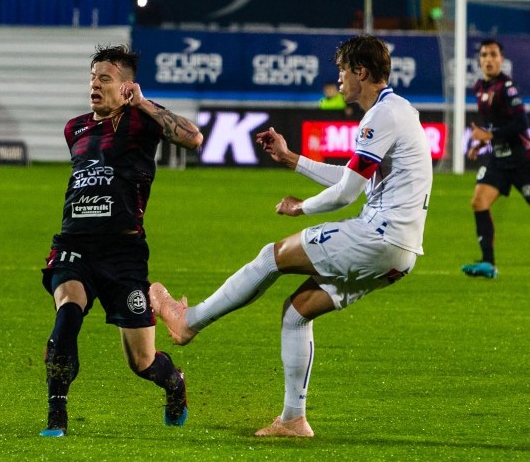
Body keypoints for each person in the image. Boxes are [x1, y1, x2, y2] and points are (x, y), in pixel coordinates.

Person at [150, 35, 433, 438]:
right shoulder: (398, 111)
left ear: (361, 72)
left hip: (379, 236)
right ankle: (293, 419)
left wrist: (302, 207)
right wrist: (291, 159)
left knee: (273, 256)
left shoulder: (382, 116)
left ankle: (188, 323)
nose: (338, 78)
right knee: (297, 312)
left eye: (342, 70)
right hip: (399, 253)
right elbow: (353, 178)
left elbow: (347, 192)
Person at [39, 44, 204, 437]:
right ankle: (56, 416)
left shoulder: (141, 121)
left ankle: (174, 384)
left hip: (124, 254)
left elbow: (193, 138)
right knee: (67, 314)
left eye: (105, 79)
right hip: (74, 244)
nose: (94, 85)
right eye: (92, 77)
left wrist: (144, 105)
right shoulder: (74, 128)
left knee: (142, 361)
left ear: (127, 87)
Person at [461, 39, 529, 279]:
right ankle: (488, 264)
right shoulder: (480, 87)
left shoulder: (506, 87)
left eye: (493, 54)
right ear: (479, 60)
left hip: (522, 159)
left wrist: (489, 135)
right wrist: (481, 142)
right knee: (479, 202)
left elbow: (521, 123)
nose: (488, 59)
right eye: (484, 55)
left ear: (501, 59)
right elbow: (495, 123)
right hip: (499, 160)